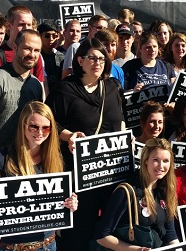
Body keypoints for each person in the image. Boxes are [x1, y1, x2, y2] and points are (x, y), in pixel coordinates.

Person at [46, 38, 125, 249]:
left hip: (110, 172)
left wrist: (128, 136)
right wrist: (68, 135)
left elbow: (121, 118)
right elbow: (48, 122)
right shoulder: (65, 89)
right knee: (79, 231)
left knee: (108, 229)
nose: (98, 63)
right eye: (92, 58)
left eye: (102, 58)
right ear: (80, 61)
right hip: (79, 174)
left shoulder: (113, 87)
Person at [0, 102, 78, 249]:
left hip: (46, 244)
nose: (39, 132)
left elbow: (59, 200)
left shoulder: (54, 160)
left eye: (46, 128)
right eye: (34, 126)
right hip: (10, 245)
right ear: (23, 125)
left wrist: (70, 203)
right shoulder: (1, 160)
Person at [0, 29, 43, 191]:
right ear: (15, 47)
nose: (32, 54)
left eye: (36, 50)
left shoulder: (35, 85)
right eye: (27, 48)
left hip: (16, 159)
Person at [95, 138, 180, 249]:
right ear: (145, 160)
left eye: (165, 161)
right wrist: (135, 249)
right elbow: (102, 236)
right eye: (155, 160)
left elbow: (170, 233)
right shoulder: (126, 191)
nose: (161, 166)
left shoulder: (166, 190)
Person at [0, 6, 45, 82]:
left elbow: (40, 86)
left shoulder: (34, 55)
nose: (26, 28)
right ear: (9, 26)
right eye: (21, 24)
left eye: (29, 25)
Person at [37, 23, 64, 91]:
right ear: (40, 36)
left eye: (54, 36)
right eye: (47, 36)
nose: (51, 39)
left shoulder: (61, 56)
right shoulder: (36, 56)